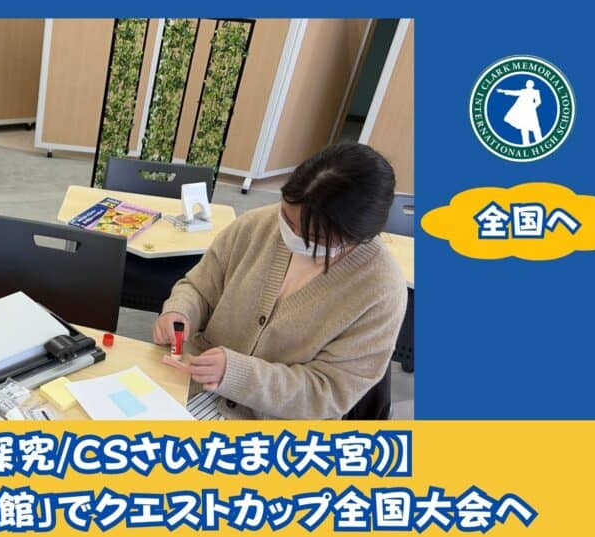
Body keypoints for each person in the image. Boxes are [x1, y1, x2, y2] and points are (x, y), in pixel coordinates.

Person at [153, 143, 407, 419]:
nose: (290, 233)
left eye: (312, 236)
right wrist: (180, 311)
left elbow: (328, 392)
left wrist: (238, 374)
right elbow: (199, 287)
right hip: (190, 386)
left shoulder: (380, 290)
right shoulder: (257, 225)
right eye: (286, 216)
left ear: (354, 236)